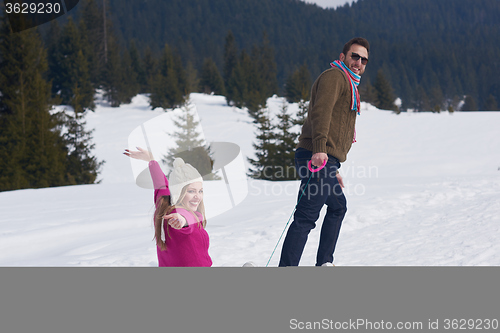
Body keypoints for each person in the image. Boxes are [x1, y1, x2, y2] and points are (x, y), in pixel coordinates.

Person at [279, 37, 370, 267]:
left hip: (325, 161)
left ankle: (324, 264)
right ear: (343, 57)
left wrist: (332, 167)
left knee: (338, 206)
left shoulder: (349, 83)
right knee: (306, 217)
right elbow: (322, 113)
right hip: (316, 156)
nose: (358, 62)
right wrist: (321, 152)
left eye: (364, 59)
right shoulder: (335, 77)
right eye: (354, 56)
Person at [124, 147, 212, 267]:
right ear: (179, 191)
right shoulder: (180, 214)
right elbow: (185, 220)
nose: (197, 196)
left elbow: (161, 185)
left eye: (200, 191)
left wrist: (151, 160)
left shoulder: (164, 205)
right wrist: (181, 220)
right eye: (191, 191)